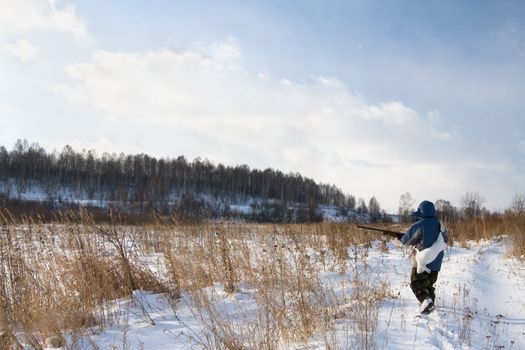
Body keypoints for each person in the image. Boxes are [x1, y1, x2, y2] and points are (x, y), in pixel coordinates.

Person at [400, 200, 447, 314]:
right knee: (429, 284)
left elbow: (406, 241)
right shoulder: (441, 225)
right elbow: (445, 240)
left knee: (416, 283)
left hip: (423, 262)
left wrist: (400, 237)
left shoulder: (419, 225)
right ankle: (431, 307)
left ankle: (427, 303)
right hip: (436, 263)